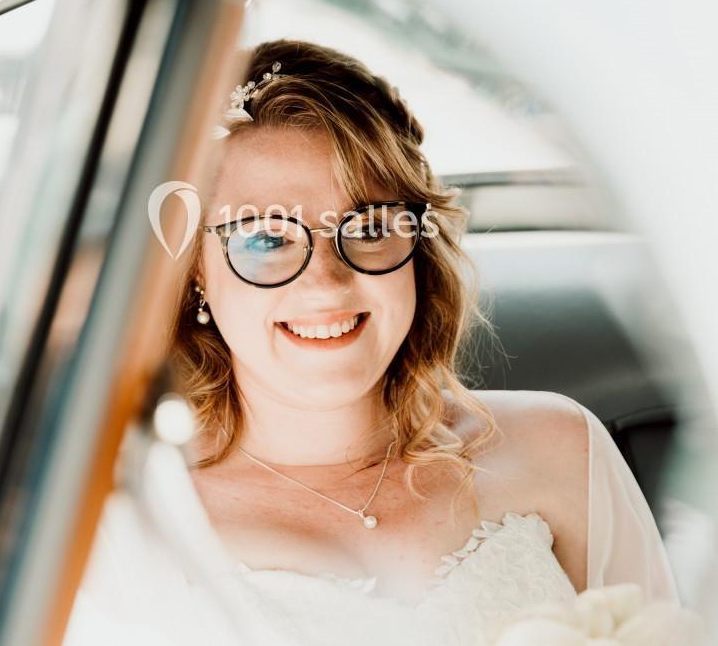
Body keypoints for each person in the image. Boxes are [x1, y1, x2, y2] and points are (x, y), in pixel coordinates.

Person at [66, 39, 679, 646]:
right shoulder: (123, 518)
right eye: (266, 239)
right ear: (196, 269)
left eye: (370, 227)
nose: (327, 282)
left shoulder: (561, 446)